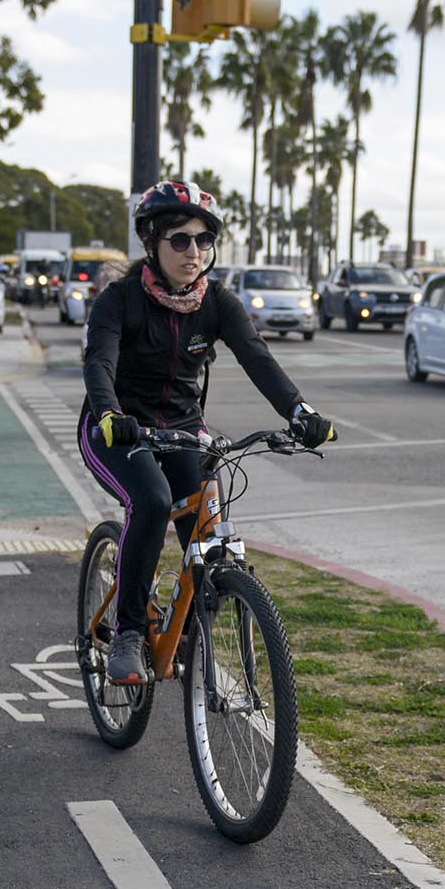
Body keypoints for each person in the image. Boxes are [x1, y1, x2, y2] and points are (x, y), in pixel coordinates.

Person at [80, 179, 330, 685]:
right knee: (150, 501)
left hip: (184, 429)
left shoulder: (216, 302)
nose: (193, 251)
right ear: (151, 242)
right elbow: (99, 362)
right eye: (179, 240)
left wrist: (300, 411)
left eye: (203, 240)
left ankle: (192, 633)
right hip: (117, 429)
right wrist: (109, 413)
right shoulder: (120, 300)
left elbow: (258, 358)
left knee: (206, 523)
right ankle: (128, 631)